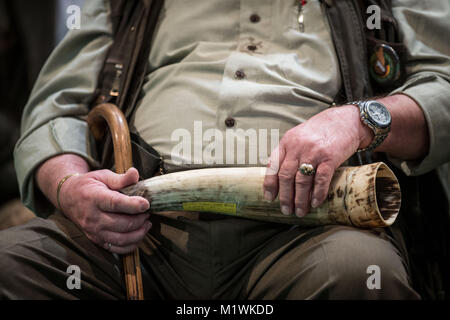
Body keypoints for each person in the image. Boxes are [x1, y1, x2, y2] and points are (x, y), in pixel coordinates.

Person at [0, 0, 449, 299]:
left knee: (364, 276)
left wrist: (357, 120)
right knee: (11, 266)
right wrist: (68, 185)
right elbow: (57, 109)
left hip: (313, 225)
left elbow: (443, 86)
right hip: (136, 225)